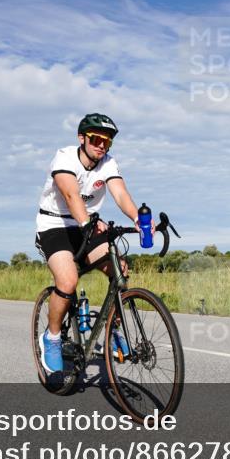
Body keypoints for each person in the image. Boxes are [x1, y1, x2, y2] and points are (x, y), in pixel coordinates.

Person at [34, 113, 152, 373]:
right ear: (82, 138)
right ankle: (52, 338)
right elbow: (70, 194)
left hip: (86, 225)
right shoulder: (65, 157)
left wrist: (137, 218)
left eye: (107, 142)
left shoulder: (108, 163)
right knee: (68, 281)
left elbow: (120, 193)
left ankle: (113, 329)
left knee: (120, 268)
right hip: (54, 225)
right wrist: (87, 221)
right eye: (96, 139)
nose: (101, 145)